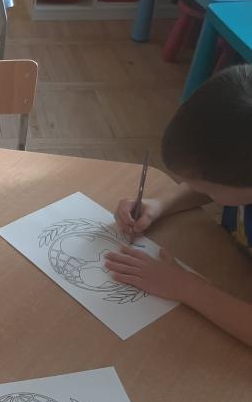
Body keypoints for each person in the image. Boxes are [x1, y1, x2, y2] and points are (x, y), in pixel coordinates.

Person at [105, 64, 252, 347]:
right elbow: (219, 185)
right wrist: (161, 204)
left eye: (202, 185)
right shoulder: (241, 171)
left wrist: (185, 286)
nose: (192, 187)